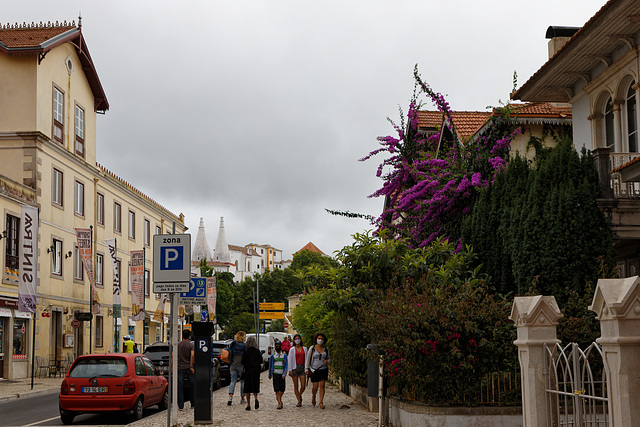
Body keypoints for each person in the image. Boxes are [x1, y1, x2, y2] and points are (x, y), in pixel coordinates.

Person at [306, 332, 330, 409]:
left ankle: (321, 402)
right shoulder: (312, 348)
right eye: (319, 338)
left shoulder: (326, 349)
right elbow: (308, 359)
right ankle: (314, 396)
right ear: (316, 339)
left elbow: (329, 358)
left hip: (323, 369)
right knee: (315, 387)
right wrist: (306, 369)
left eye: (322, 339)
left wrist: (327, 361)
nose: (320, 340)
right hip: (314, 369)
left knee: (322, 385)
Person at [241, 335, 263, 411]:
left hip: (248, 370)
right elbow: (261, 361)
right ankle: (256, 398)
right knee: (255, 385)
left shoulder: (246, 351)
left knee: (247, 388)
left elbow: (243, 361)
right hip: (256, 370)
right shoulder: (257, 351)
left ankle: (248, 404)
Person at [227, 331, 246, 406]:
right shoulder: (244, 346)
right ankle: (242, 398)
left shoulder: (233, 344)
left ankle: (230, 398)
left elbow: (230, 353)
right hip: (241, 365)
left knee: (233, 381)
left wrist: (230, 362)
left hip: (233, 365)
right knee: (242, 381)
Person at [288, 333, 307, 407]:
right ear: (294, 340)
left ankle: (299, 395)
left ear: (300, 339)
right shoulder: (292, 349)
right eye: (296, 339)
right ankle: (299, 401)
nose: (297, 340)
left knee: (303, 385)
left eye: (298, 338)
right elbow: (290, 360)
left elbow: (307, 359)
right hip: (294, 368)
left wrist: (307, 368)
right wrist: (290, 370)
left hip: (302, 368)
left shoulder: (304, 349)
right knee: (296, 386)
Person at [177, 329, 194, 411]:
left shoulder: (178, 344)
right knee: (192, 385)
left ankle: (180, 405)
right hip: (188, 367)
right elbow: (192, 355)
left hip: (180, 367)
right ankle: (193, 403)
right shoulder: (191, 345)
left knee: (180, 386)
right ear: (189, 336)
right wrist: (191, 366)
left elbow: (174, 355)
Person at [268, 340, 288, 409]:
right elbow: (271, 365)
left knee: (282, 389)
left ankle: (278, 398)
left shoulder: (284, 356)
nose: (278, 347)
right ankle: (279, 403)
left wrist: (284, 374)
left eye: (279, 346)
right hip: (275, 374)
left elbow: (285, 366)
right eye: (277, 346)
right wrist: (270, 374)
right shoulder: (272, 356)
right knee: (276, 389)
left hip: (281, 374)